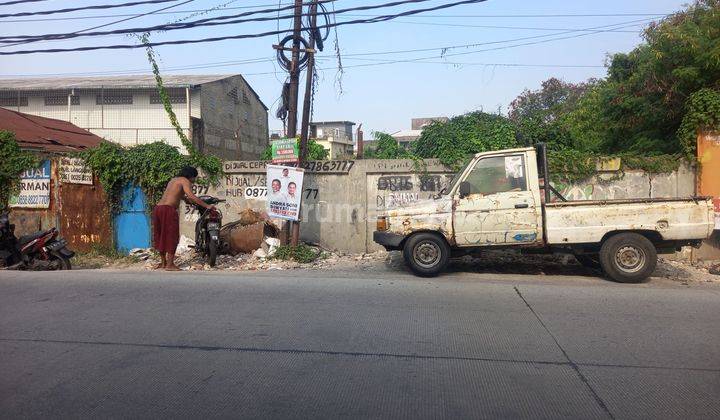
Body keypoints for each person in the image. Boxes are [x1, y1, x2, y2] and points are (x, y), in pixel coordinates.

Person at [152, 166, 213, 271]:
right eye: (194, 178)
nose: (194, 180)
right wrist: (207, 206)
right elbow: (192, 195)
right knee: (172, 236)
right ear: (190, 176)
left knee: (161, 235)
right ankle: (170, 265)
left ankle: (163, 263)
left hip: (158, 209)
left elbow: (177, 194)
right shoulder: (185, 181)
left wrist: (187, 200)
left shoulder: (173, 180)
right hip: (168, 210)